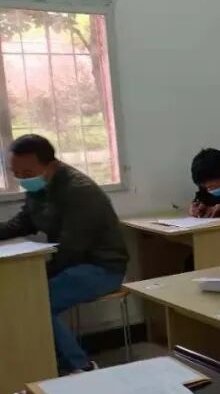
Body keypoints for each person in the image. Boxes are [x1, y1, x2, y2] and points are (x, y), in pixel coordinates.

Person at [0, 135, 128, 374]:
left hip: (102, 268)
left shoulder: (79, 191)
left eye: (26, 173)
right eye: (15, 174)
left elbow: (72, 249)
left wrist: (36, 277)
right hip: (71, 264)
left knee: (35, 301)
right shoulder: (41, 185)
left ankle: (81, 366)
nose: (22, 179)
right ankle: (44, 362)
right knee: (25, 295)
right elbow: (24, 221)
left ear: (51, 165)